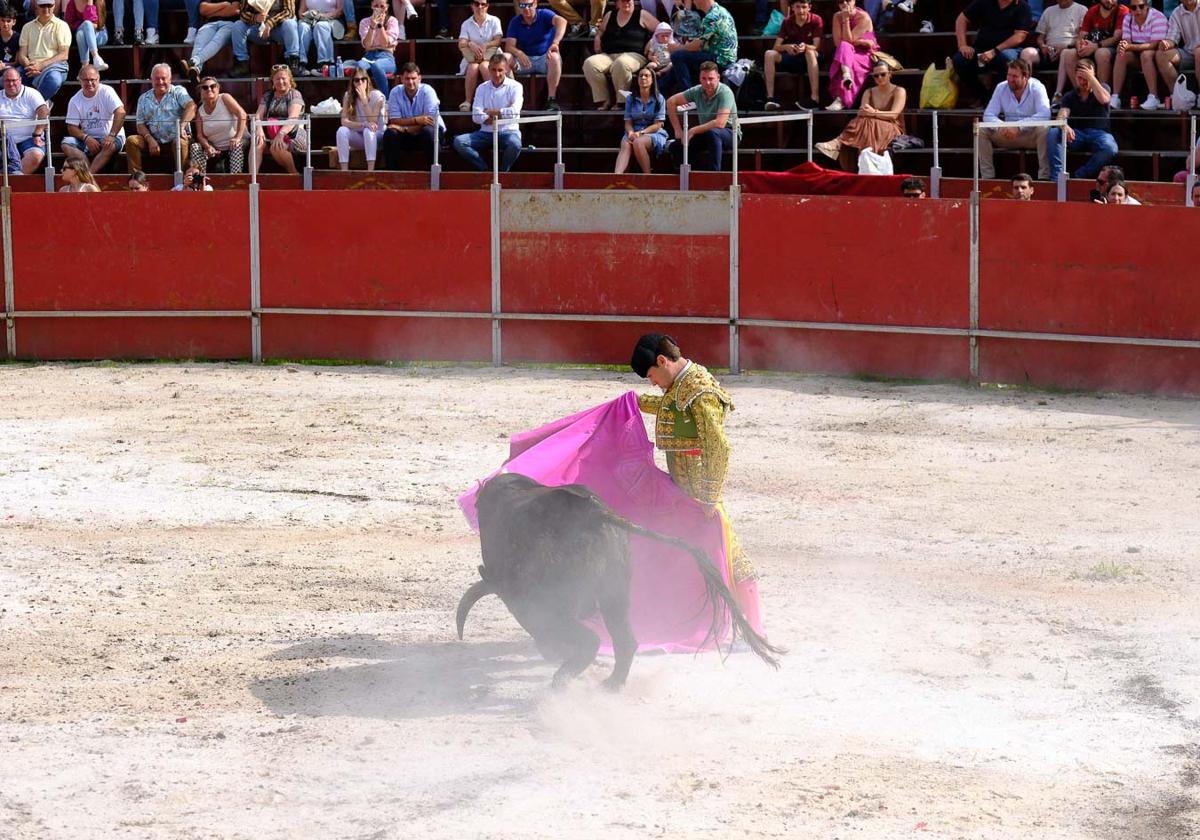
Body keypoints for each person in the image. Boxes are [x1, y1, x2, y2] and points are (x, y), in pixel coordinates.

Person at [629, 333, 763, 636]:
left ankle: (756, 631)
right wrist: (632, 402)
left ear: (662, 361)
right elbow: (670, 407)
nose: (652, 382)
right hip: (684, 493)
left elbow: (718, 446)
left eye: (651, 375)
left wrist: (710, 497)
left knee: (732, 557)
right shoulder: (681, 385)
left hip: (700, 496)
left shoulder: (699, 391)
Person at [815, 59, 905, 166]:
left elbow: (894, 115)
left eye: (883, 74)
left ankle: (838, 142)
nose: (879, 78)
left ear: (890, 74)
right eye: (876, 76)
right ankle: (866, 164)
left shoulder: (899, 91)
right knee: (864, 122)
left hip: (892, 127)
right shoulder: (869, 92)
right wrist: (870, 114)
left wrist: (874, 113)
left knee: (867, 123)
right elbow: (863, 112)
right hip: (870, 125)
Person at [977, 58, 1051, 180]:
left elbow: (1045, 114)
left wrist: (1018, 126)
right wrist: (1002, 126)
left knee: (1045, 129)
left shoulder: (1038, 87)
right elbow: (988, 114)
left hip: (1030, 136)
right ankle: (987, 177)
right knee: (981, 130)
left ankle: (1044, 178)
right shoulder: (1001, 87)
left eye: (1015, 76)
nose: (1010, 79)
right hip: (1006, 134)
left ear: (1025, 76)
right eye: (1009, 75)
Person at [951, 0, 1035, 107]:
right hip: (982, 50)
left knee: (1008, 59)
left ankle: (994, 99)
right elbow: (961, 19)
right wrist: (962, 45)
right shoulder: (984, 2)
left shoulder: (1022, 6)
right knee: (959, 60)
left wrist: (995, 51)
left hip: (1007, 50)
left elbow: (1020, 36)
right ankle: (982, 95)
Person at [1047, 57, 1116, 181]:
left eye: (1086, 78)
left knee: (1110, 148)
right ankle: (1057, 178)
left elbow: (1104, 99)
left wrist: (1091, 78)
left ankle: (1080, 175)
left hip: (1100, 134)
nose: (1083, 81)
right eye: (1080, 78)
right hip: (1077, 134)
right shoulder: (1070, 95)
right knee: (1053, 133)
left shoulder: (1103, 88)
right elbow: (1062, 115)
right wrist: (1064, 126)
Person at [453, 51, 522, 171]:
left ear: (506, 69)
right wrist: (493, 116)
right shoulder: (482, 87)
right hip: (486, 132)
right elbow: (475, 115)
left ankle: (503, 172)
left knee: (515, 145)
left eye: (500, 70)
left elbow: (515, 112)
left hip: (508, 132)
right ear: (489, 69)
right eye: (494, 70)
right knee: (459, 142)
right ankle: (484, 170)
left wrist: (490, 112)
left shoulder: (516, 86)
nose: (497, 73)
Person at [583, 0, 657, 111]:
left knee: (621, 63)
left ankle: (622, 101)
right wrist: (598, 37)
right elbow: (601, 30)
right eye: (623, 1)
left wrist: (651, 43)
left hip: (634, 55)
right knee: (590, 63)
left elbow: (662, 30)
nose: (626, 3)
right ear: (617, 3)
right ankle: (604, 100)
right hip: (609, 55)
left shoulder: (641, 14)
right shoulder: (610, 15)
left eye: (629, 0)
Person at [666, 59, 738, 171]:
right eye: (704, 79)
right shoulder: (697, 90)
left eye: (711, 79)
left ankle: (714, 174)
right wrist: (678, 130)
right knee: (677, 146)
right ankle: (694, 174)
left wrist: (693, 130)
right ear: (700, 79)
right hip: (706, 132)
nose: (707, 82)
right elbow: (671, 102)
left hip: (729, 132)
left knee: (713, 133)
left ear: (718, 77)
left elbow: (720, 123)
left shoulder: (725, 92)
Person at [127, 63, 195, 173]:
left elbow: (191, 106)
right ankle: (136, 180)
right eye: (157, 79)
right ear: (151, 80)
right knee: (131, 141)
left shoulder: (178, 92)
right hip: (153, 140)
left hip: (176, 138)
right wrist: (149, 139)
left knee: (180, 143)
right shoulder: (143, 98)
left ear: (170, 79)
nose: (160, 82)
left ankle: (184, 181)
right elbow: (140, 125)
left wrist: (181, 127)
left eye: (164, 78)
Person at [61, 63, 124, 172]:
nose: (89, 83)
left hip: (111, 136)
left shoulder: (107, 91)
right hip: (88, 139)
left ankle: (89, 175)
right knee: (66, 143)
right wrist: (86, 138)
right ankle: (85, 171)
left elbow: (121, 112)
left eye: (92, 79)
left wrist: (112, 135)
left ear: (98, 79)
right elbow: (71, 127)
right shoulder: (75, 100)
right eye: (85, 80)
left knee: (109, 146)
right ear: (79, 81)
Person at [504, 0, 566, 111]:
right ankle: (513, 99)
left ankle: (551, 99)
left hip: (544, 59)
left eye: (529, 5)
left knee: (555, 57)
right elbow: (509, 47)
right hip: (525, 61)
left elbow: (562, 21)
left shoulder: (544, 14)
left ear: (536, 4)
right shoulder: (515, 21)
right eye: (523, 5)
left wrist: (555, 42)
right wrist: (519, 52)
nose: (526, 9)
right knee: (505, 58)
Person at [663, 0, 737, 92]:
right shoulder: (721, 11)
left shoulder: (712, 17)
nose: (693, 2)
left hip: (720, 61)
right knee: (680, 60)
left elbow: (696, 46)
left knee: (677, 56)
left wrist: (675, 48)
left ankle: (688, 96)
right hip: (722, 58)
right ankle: (659, 90)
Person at [1020, 0, 1086, 103]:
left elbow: (1082, 37)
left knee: (1065, 54)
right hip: (1048, 50)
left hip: (1069, 51)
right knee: (1026, 53)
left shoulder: (1082, 10)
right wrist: (1043, 46)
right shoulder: (1049, 11)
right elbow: (1040, 37)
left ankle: (1057, 95)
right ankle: (1026, 92)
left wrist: (1065, 48)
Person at [383, 61, 444, 168]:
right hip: (408, 136)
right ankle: (391, 172)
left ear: (419, 78)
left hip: (429, 133)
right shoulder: (395, 92)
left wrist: (404, 128)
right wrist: (417, 120)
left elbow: (429, 122)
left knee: (428, 131)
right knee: (390, 133)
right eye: (407, 78)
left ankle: (433, 174)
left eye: (413, 78)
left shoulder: (428, 91)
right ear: (401, 79)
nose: (410, 82)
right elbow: (394, 120)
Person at [764, 0, 823, 111]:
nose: (801, 10)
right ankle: (770, 98)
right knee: (769, 54)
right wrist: (786, 47)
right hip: (792, 57)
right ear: (792, 8)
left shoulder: (816, 20)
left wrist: (805, 47)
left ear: (809, 7)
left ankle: (814, 98)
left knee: (810, 52)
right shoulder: (787, 21)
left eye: (804, 7)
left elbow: (817, 47)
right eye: (798, 7)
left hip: (810, 59)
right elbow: (776, 46)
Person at [1111, 0, 1168, 108]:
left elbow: (1154, 45)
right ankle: (1115, 97)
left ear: (1147, 6)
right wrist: (1123, 45)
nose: (1137, 10)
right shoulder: (1127, 18)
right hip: (1137, 54)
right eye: (1134, 7)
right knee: (1121, 54)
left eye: (1141, 6)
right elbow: (1127, 41)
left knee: (1146, 54)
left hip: (1155, 56)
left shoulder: (1158, 17)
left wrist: (1129, 46)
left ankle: (1154, 97)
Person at [253, 62, 305, 174]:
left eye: (283, 78)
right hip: (271, 132)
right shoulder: (268, 95)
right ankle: (253, 177)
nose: (280, 82)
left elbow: (293, 118)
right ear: (273, 81)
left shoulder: (294, 94)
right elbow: (258, 115)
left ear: (289, 80)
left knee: (276, 147)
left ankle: (293, 174)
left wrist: (280, 135)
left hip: (292, 133)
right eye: (277, 79)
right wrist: (259, 130)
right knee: (257, 142)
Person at [1062, 0, 1126, 89]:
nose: (1109, 1)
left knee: (1101, 53)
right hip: (1092, 47)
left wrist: (1096, 46)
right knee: (1069, 54)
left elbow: (1116, 38)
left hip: (1114, 49)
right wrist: (1080, 46)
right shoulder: (1092, 11)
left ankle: (1103, 92)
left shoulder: (1122, 11)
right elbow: (1081, 36)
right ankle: (1081, 92)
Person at [190, 75, 247, 174]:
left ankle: (235, 180)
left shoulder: (224, 98)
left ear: (218, 88)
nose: (209, 89)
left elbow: (242, 114)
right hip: (215, 147)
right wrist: (207, 146)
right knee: (195, 147)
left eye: (213, 86)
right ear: (201, 91)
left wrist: (237, 137)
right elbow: (200, 135)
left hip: (235, 142)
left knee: (236, 146)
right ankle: (200, 180)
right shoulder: (200, 111)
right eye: (205, 87)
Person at [615, 63, 666, 173]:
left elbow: (658, 124)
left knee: (638, 142)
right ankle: (617, 176)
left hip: (653, 132)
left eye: (646, 76)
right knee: (625, 144)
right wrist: (630, 133)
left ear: (652, 80)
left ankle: (647, 176)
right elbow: (628, 121)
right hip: (634, 131)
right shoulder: (630, 98)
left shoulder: (659, 99)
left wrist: (641, 133)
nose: (643, 78)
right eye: (640, 75)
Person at [230, 0, 301, 78]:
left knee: (290, 23)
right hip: (256, 29)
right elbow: (242, 13)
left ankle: (293, 62)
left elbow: (289, 12)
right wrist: (255, 18)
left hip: (279, 29)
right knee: (237, 26)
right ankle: (242, 64)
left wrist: (270, 23)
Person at [826, 0, 876, 110]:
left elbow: (849, 40)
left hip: (863, 53)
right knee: (844, 49)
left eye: (848, 0)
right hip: (844, 51)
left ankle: (841, 99)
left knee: (848, 60)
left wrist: (846, 19)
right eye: (840, 1)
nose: (844, 3)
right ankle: (846, 76)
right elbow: (838, 43)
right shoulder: (836, 16)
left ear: (854, 1)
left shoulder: (864, 17)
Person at [16, 0, 70, 101]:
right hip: (30, 66)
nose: (46, 9)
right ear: (36, 6)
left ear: (54, 6)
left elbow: (64, 54)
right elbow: (22, 55)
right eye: (43, 6)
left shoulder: (62, 26)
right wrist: (29, 66)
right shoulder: (27, 27)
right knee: (9, 79)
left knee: (54, 80)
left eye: (49, 5)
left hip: (54, 66)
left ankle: (36, 105)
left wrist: (41, 65)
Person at [335, 67, 385, 170]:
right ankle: (344, 171)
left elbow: (373, 122)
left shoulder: (377, 96)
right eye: (357, 80)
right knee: (341, 131)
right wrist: (363, 124)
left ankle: (370, 171)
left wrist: (364, 101)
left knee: (368, 130)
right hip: (359, 135)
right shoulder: (348, 96)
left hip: (377, 135)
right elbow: (344, 121)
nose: (360, 82)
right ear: (353, 82)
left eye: (363, 79)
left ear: (368, 80)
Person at [456, 0, 502, 111]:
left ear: (487, 6)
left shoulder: (494, 20)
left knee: (485, 66)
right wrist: (470, 44)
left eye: (483, 4)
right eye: (477, 4)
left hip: (492, 56)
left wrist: (486, 45)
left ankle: (492, 101)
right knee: (472, 67)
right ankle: (467, 101)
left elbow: (498, 41)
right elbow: (461, 43)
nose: (480, 7)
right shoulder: (466, 23)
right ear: (472, 6)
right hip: (473, 58)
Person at [0, 66, 46, 173]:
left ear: (20, 80)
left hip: (29, 139)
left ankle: (12, 181)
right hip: (4, 140)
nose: (11, 84)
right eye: (7, 81)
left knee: (36, 155)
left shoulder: (31, 93)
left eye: (13, 80)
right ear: (3, 81)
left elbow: (43, 111)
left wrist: (38, 133)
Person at [353, 0, 405, 96]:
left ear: (387, 7)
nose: (379, 9)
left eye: (382, 6)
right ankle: (361, 97)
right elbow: (367, 45)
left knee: (377, 65)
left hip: (386, 57)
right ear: (372, 6)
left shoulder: (392, 21)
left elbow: (385, 44)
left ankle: (385, 99)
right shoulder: (364, 22)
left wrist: (380, 26)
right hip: (369, 57)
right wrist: (372, 26)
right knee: (359, 67)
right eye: (376, 6)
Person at [183, 0, 243, 81]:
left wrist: (212, 12)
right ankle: (196, 69)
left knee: (217, 40)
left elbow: (234, 10)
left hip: (230, 24)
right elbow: (203, 10)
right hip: (210, 24)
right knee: (200, 40)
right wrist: (224, 4)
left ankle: (194, 61)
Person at [1155, 0, 1200, 99]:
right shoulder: (1176, 13)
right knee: (1161, 54)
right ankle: (1178, 95)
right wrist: (1166, 44)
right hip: (1188, 53)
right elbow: (1172, 39)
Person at [298, 0, 346, 76]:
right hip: (311, 19)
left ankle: (325, 65)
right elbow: (301, 11)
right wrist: (306, 16)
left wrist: (323, 16)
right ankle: (301, 64)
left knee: (321, 26)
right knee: (303, 27)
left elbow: (340, 10)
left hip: (331, 19)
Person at [63, 0, 109, 72]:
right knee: (81, 33)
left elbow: (98, 23)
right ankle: (95, 59)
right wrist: (84, 25)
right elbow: (70, 24)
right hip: (80, 33)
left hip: (99, 35)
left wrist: (90, 4)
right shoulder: (72, 3)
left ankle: (85, 66)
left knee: (86, 26)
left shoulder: (99, 1)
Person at [0, 6, 20, 71]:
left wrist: (4, 65)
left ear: (14, 22)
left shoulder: (18, 38)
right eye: (2, 20)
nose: (5, 24)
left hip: (11, 70)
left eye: (8, 21)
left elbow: (17, 62)